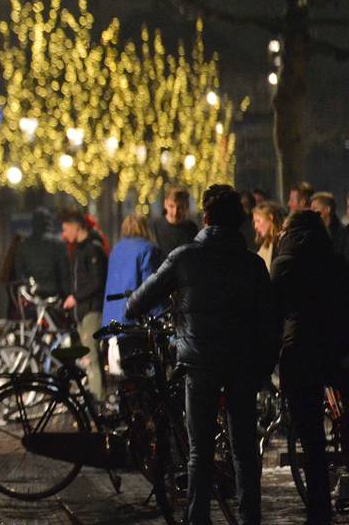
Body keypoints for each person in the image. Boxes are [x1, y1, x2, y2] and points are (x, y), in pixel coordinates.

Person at [126, 185, 279, 525]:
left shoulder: (184, 257)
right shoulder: (252, 265)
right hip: (242, 364)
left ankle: (198, 517)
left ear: (206, 218)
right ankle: (249, 517)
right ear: (238, 222)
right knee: (244, 449)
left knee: (200, 450)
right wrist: (263, 367)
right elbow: (270, 322)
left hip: (200, 363)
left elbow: (138, 301)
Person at [271, 210, 349, 525]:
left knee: (311, 437)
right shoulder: (336, 262)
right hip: (335, 350)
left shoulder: (284, 263)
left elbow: (272, 310)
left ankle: (319, 510)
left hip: (299, 352)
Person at [61, 211, 107, 400]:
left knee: (92, 358)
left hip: (91, 310)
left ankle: (98, 400)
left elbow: (97, 282)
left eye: (66, 229)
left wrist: (76, 297)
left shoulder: (92, 249)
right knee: (89, 358)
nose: (64, 234)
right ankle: (96, 398)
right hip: (83, 311)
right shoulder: (80, 250)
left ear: (76, 227)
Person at [101, 214, 160, 326]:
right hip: (133, 320)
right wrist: (160, 314)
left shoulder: (115, 250)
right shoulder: (148, 249)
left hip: (111, 319)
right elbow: (150, 287)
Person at [13, 207, 70, 298]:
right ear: (49, 223)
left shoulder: (23, 245)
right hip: (54, 294)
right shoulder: (58, 245)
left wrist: (27, 286)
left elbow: (19, 272)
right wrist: (68, 295)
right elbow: (64, 273)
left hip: (31, 295)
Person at [151, 186, 199, 257]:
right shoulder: (154, 227)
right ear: (165, 204)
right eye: (171, 206)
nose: (175, 212)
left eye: (180, 208)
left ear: (187, 206)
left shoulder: (191, 228)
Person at [310, 192, 349, 264]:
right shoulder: (313, 232)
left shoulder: (343, 234)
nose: (311, 213)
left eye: (315, 209)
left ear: (327, 209)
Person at [252, 201, 283, 270]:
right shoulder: (265, 246)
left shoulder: (284, 242)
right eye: (254, 222)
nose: (255, 226)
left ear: (270, 217)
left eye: (258, 221)